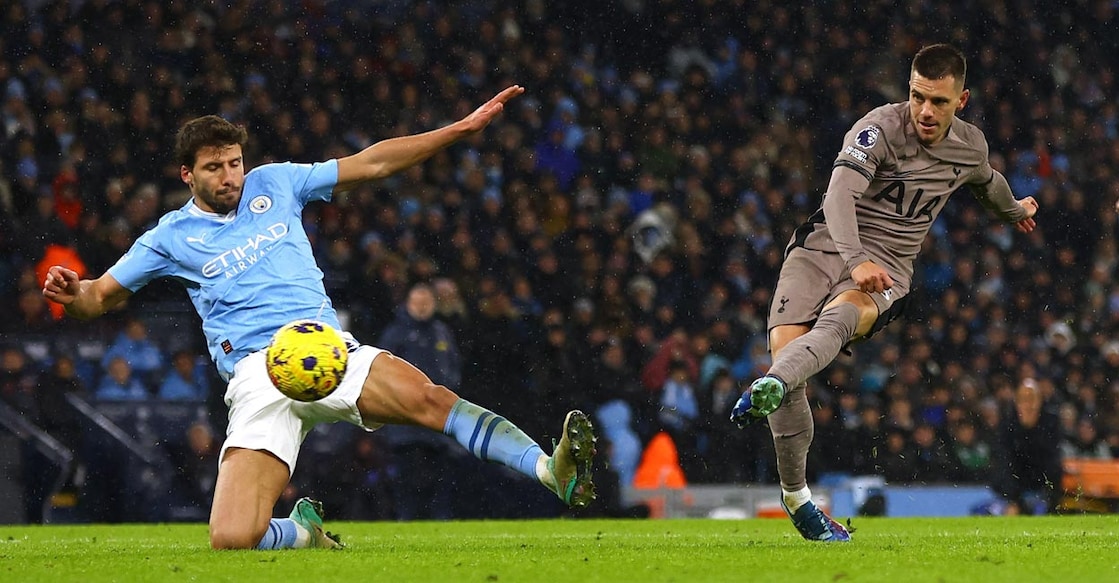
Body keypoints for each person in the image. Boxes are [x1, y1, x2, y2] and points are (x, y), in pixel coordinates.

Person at [42, 85, 597, 550]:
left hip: (327, 350)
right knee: (231, 539)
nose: (230, 176)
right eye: (214, 168)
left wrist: (455, 131)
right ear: (188, 174)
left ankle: (551, 470)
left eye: (235, 162)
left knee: (431, 400)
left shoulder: (276, 182)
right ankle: (302, 534)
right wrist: (76, 292)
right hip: (259, 377)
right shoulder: (169, 236)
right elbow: (99, 296)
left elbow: (373, 162)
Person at [729, 44, 1039, 542]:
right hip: (821, 248)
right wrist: (856, 261)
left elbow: (989, 181)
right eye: (917, 97)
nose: (924, 111)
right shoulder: (877, 128)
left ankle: (769, 388)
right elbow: (838, 195)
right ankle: (796, 497)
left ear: (962, 100)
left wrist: (1014, 212)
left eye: (938, 101)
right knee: (791, 363)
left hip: (889, 268)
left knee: (838, 323)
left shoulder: (969, 147)